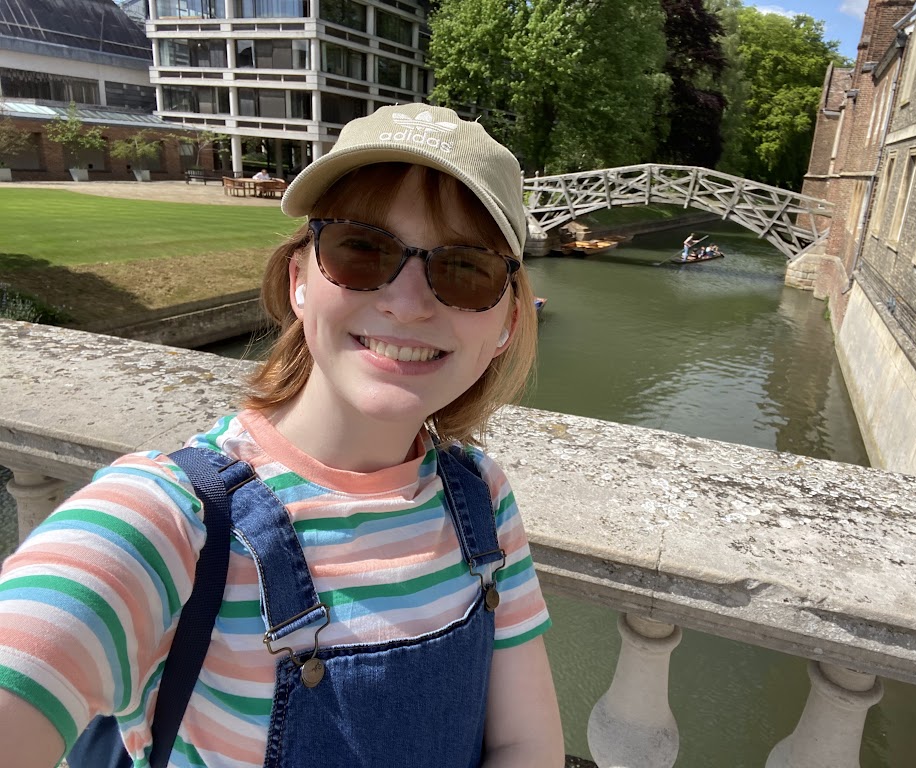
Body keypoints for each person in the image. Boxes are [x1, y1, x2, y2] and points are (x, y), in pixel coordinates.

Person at [0, 104, 564, 767]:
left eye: (465, 268)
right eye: (361, 249)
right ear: (300, 280)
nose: (408, 303)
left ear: (505, 323)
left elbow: (524, 743)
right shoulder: (172, 519)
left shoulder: (482, 500)